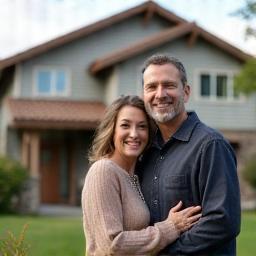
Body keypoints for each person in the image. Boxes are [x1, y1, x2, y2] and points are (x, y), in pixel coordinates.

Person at [137, 54, 241, 255]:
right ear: (144, 95)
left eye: (169, 85)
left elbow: (223, 221)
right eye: (151, 87)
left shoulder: (211, 145)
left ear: (185, 92)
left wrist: (165, 252)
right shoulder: (146, 152)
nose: (160, 94)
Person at [81, 95, 202, 256]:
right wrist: (170, 227)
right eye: (125, 125)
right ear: (112, 130)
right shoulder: (103, 171)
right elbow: (112, 245)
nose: (134, 134)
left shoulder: (135, 175)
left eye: (142, 127)